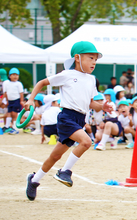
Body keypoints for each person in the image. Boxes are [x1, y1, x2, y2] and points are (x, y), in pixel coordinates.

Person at [25, 41, 112, 201]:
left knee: (55, 156)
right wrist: (31, 100)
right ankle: (64, 172)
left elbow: (90, 103)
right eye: (90, 57)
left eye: (96, 59)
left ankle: (34, 180)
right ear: (77, 58)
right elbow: (41, 83)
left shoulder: (92, 80)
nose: (94, 62)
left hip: (80, 119)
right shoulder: (67, 74)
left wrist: (102, 107)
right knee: (86, 142)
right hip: (66, 117)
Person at [3, 67, 24, 135]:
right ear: (10, 76)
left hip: (16, 100)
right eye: (13, 74)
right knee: (9, 113)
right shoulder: (7, 83)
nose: (15, 76)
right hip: (10, 101)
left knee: (14, 114)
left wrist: (21, 101)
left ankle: (15, 128)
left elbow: (21, 93)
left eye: (16, 75)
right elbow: (6, 93)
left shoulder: (18, 84)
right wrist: (6, 101)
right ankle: (7, 126)